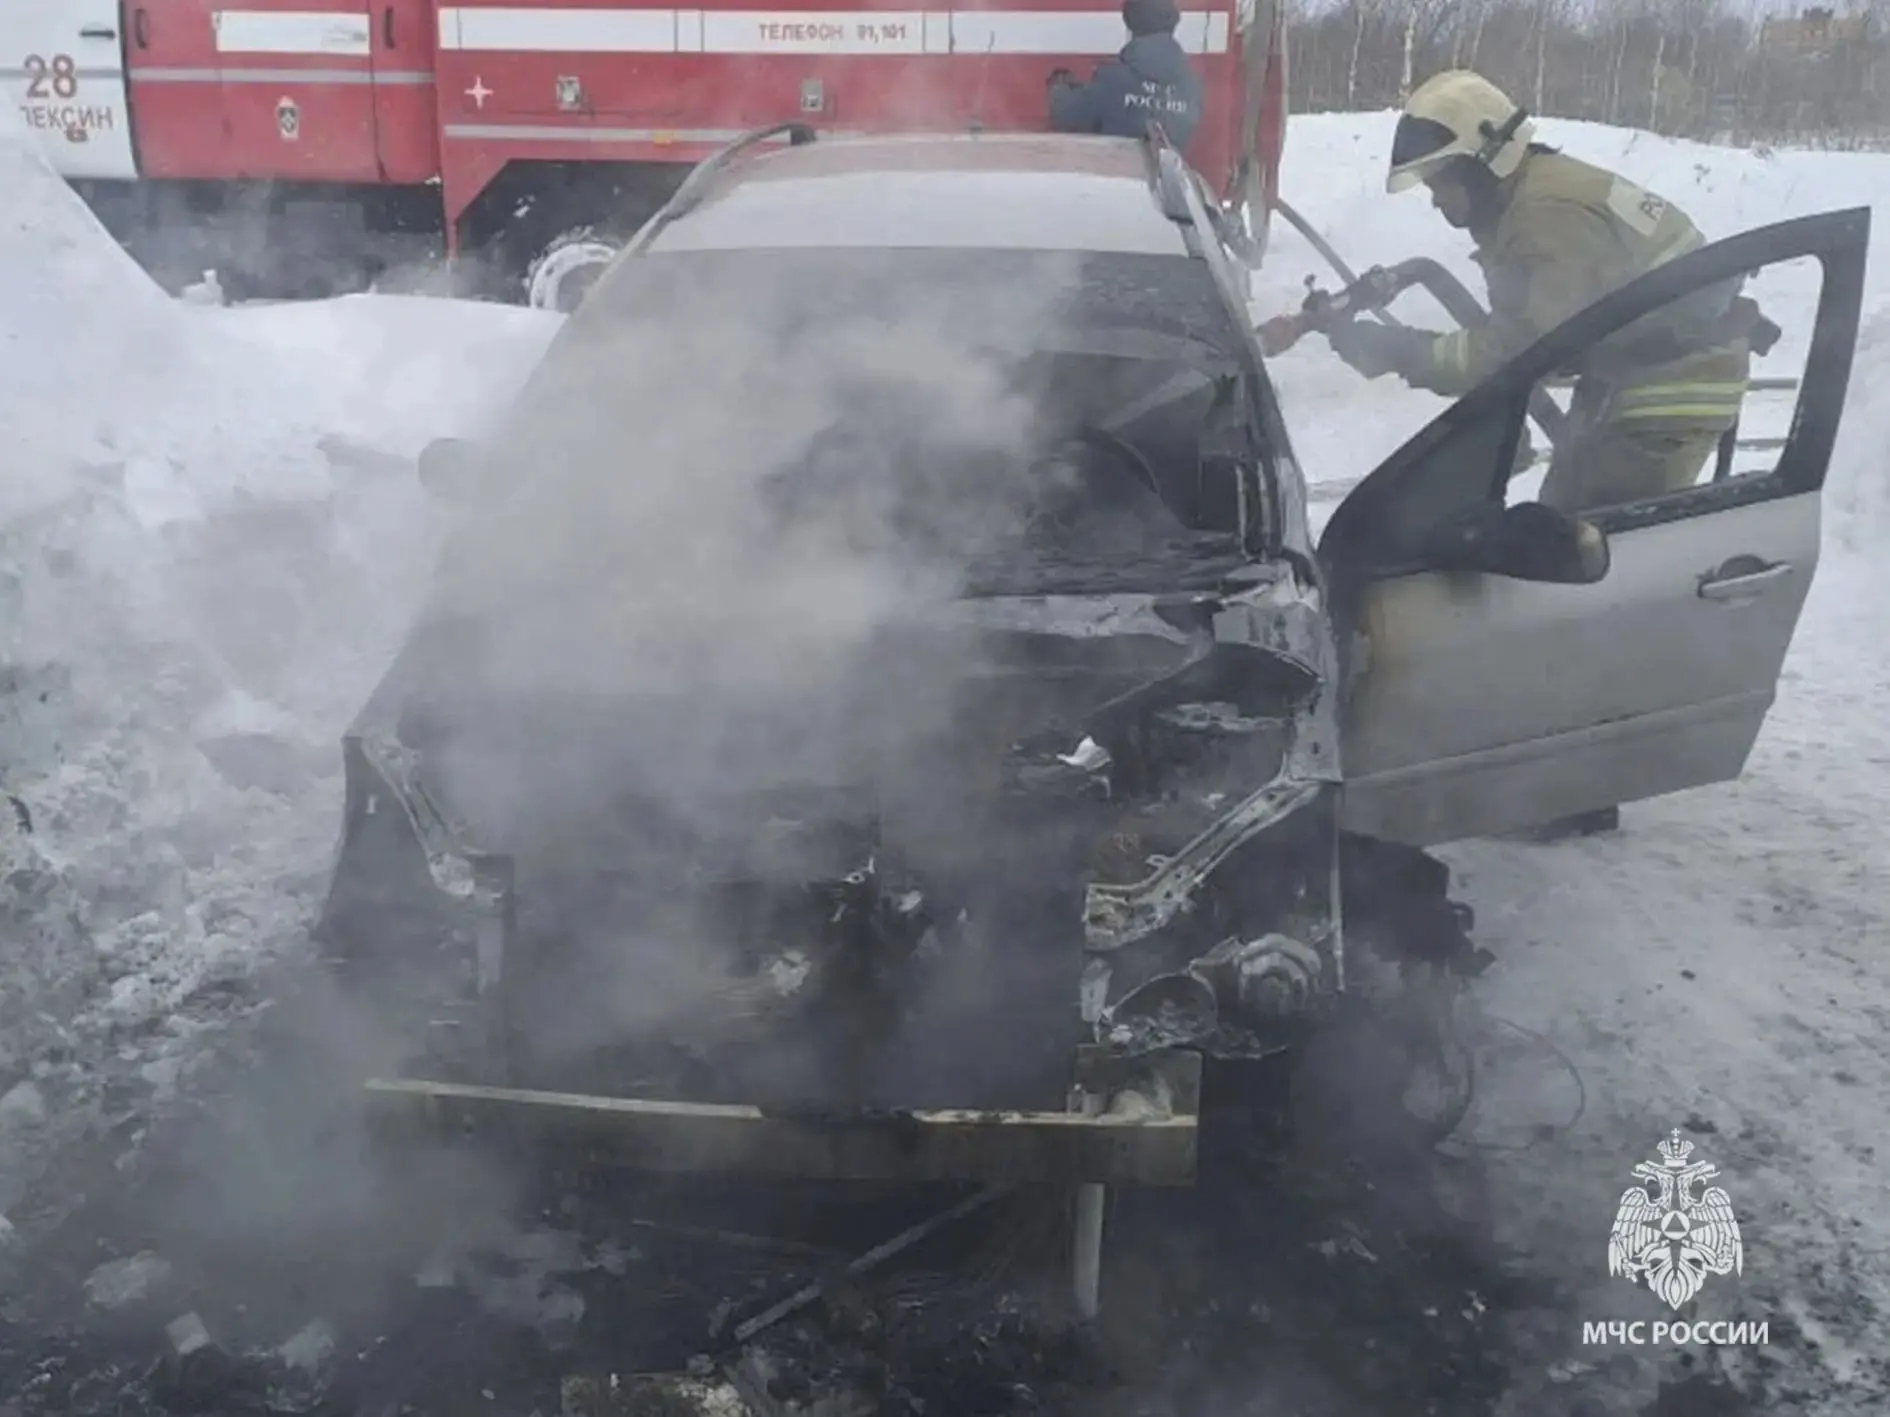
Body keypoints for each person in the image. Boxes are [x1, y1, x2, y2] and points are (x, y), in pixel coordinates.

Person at [1321, 69, 1768, 517]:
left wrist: (1406, 352)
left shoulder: (1544, 214)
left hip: (1668, 394)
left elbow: (1531, 347)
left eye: (1442, 182)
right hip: (1638, 369)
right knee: (1562, 514)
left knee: (1589, 536)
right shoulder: (1538, 188)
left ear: (1480, 163)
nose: (1437, 200)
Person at [1047, 0, 1205, 152]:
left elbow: (1067, 117)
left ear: (1130, 23)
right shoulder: (1192, 86)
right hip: (1165, 170)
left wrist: (1059, 89)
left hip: (1118, 168)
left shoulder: (1113, 79)